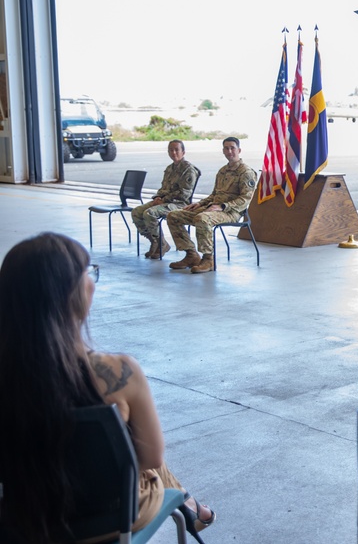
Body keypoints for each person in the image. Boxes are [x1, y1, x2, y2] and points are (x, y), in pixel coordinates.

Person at [0, 233, 216, 543]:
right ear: (73, 294)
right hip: (107, 520)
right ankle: (190, 505)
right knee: (138, 453)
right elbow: (151, 458)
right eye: (88, 273)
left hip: (21, 519)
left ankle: (192, 504)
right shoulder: (120, 371)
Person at [166, 136, 257, 274]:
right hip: (212, 208)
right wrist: (199, 204)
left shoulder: (246, 172)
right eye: (226, 148)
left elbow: (245, 199)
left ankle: (208, 259)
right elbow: (214, 195)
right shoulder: (222, 171)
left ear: (239, 150)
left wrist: (223, 207)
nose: (230, 151)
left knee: (202, 219)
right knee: (173, 216)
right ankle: (191, 255)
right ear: (223, 151)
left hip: (231, 212)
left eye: (232, 148)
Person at [131, 139, 199, 260]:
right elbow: (164, 188)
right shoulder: (169, 169)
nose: (174, 153)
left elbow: (185, 193)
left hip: (180, 204)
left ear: (183, 152)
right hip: (165, 202)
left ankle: (161, 244)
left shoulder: (188, 170)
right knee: (136, 212)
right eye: (171, 150)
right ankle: (156, 241)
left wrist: (164, 199)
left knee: (149, 213)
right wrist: (158, 198)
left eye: (177, 150)